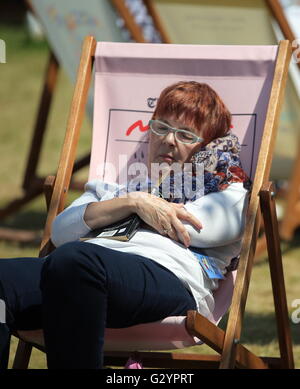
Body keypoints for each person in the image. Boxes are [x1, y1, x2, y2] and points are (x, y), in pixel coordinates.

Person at [0, 81, 251, 369]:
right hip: (76, 276)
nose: (169, 140)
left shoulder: (228, 191)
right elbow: (62, 231)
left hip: (166, 277)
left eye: (185, 134)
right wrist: (133, 202)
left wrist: (123, 208)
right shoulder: (121, 187)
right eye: (161, 128)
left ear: (207, 145)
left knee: (76, 262)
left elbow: (194, 228)